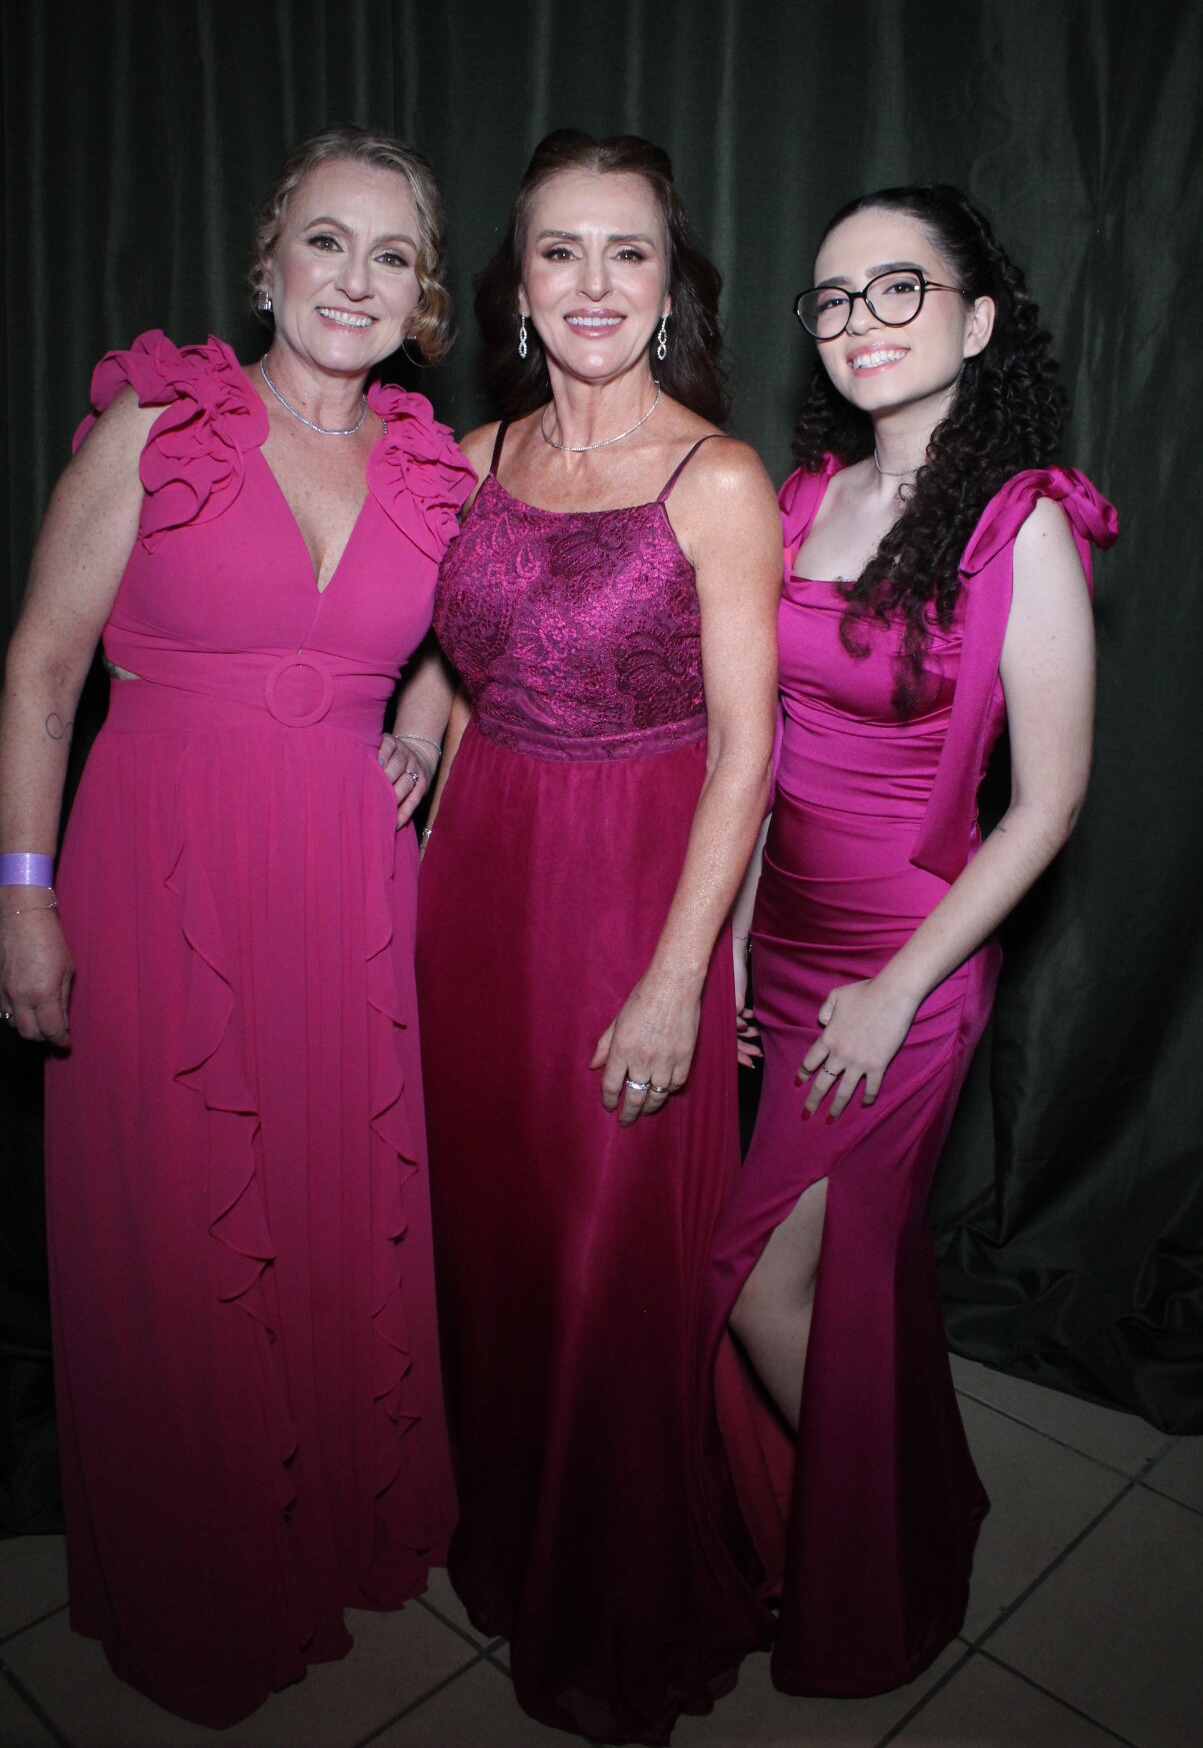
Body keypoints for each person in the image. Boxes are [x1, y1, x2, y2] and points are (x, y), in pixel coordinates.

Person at [0, 126, 473, 1727]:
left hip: (348, 887)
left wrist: (421, 715)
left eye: (392, 256)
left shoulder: (434, 465)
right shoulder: (162, 422)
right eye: (326, 241)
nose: (355, 278)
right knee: (177, 1227)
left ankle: (326, 1535)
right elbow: (42, 666)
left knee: (334, 1211)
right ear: (268, 263)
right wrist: (22, 893)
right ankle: (200, 1587)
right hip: (159, 877)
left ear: (423, 299)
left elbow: (464, 635)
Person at [704, 185, 1118, 1697]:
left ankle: (885, 1547)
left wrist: (894, 989)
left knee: (761, 1286)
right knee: (845, 1282)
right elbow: (762, 754)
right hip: (786, 944)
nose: (858, 322)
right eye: (832, 298)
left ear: (977, 320)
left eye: (897, 289)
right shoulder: (804, 500)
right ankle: (908, 1507)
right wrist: (733, 940)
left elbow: (1048, 806)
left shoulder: (1022, 526)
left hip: (910, 964)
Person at [405, 131, 780, 1744]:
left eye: (630, 251)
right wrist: (424, 739)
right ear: (518, 284)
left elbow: (750, 750)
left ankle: (616, 1604)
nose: (595, 284)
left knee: (606, 1266)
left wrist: (685, 978)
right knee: (494, 1250)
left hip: (637, 892)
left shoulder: (720, 479)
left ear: (671, 284)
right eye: (562, 250)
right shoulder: (471, 455)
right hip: (477, 891)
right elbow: (462, 657)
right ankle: (511, 1541)